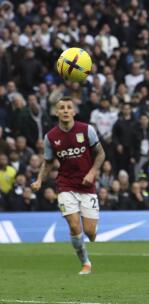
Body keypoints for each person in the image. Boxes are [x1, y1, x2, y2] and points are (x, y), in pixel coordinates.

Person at [31, 96, 106, 275]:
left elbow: (101, 153)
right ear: (57, 112)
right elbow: (48, 162)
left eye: (68, 107)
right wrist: (40, 180)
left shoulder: (87, 130)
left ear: (74, 111)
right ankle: (85, 262)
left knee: (90, 233)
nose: (65, 110)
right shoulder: (51, 137)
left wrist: (92, 172)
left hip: (87, 187)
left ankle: (91, 234)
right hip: (65, 186)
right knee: (74, 226)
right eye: (61, 108)